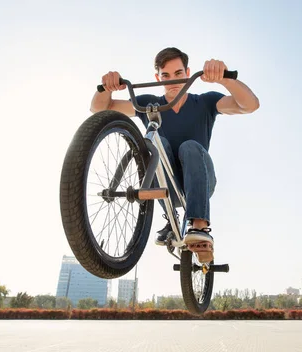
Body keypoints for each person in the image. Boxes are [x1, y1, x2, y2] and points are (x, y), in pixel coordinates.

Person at [90, 47, 259, 261]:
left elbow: (250, 105)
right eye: (166, 76)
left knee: (189, 146)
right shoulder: (150, 105)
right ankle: (171, 220)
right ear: (157, 78)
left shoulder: (205, 102)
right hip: (165, 186)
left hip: (199, 180)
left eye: (178, 74)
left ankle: (199, 227)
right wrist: (107, 88)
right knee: (157, 143)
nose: (172, 82)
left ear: (188, 73)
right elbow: (100, 109)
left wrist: (224, 79)